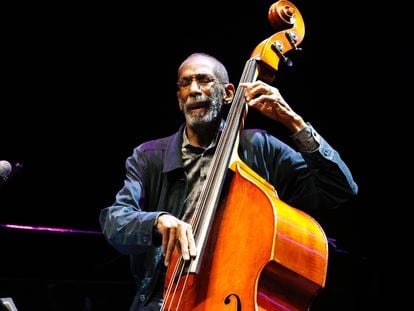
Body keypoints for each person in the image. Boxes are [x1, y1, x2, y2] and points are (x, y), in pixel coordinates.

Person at [99, 52, 358, 310]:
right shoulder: (149, 157)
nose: (194, 90)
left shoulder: (260, 147)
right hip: (164, 300)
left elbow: (338, 188)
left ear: (228, 94)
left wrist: (294, 122)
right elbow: (114, 221)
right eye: (185, 83)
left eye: (204, 80)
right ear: (179, 100)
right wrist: (156, 221)